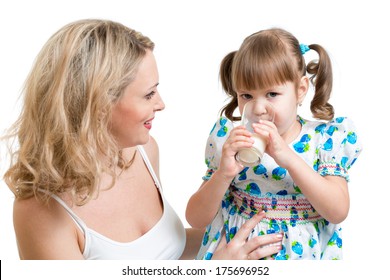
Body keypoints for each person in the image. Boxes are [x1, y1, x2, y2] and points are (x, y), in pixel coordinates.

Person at [2, 19, 283, 260]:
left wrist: (256, 231)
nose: (161, 104)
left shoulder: (143, 152)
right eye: (148, 94)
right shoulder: (40, 210)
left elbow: (161, 253)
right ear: (97, 105)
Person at [186, 28, 362, 260]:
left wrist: (288, 158)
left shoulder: (324, 140)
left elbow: (338, 211)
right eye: (246, 96)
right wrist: (223, 174)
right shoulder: (231, 141)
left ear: (300, 90)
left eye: (272, 94)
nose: (258, 109)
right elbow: (195, 218)